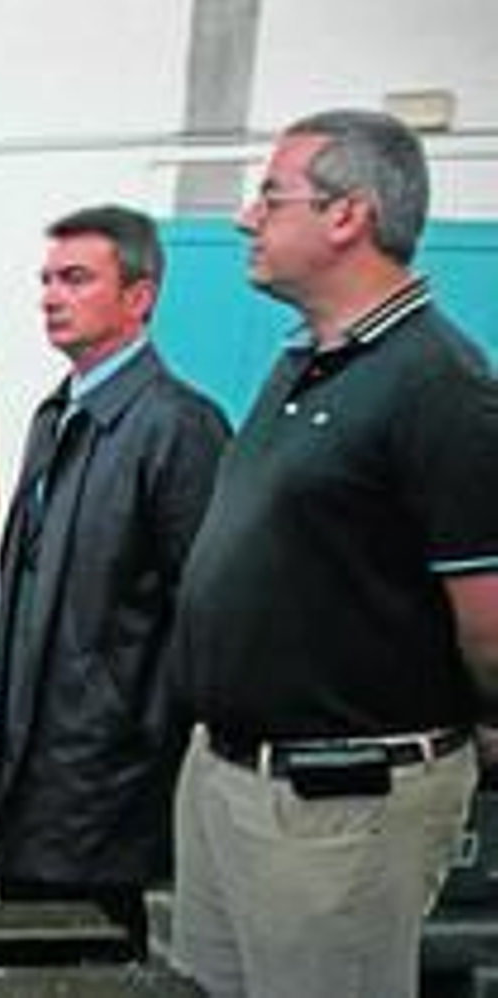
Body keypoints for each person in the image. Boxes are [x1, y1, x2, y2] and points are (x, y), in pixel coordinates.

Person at [170, 109, 498, 997]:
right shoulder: (307, 364)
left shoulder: (439, 387)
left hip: (338, 809)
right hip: (230, 782)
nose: (247, 217)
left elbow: (490, 629)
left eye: (272, 196)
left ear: (348, 216)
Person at [0, 205, 229, 958]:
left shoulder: (179, 426)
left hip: (106, 772)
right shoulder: (57, 414)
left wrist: (140, 731)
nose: (51, 296)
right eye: (46, 279)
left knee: (93, 960)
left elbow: (205, 612)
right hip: (30, 756)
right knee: (29, 953)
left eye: (76, 279)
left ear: (139, 296)